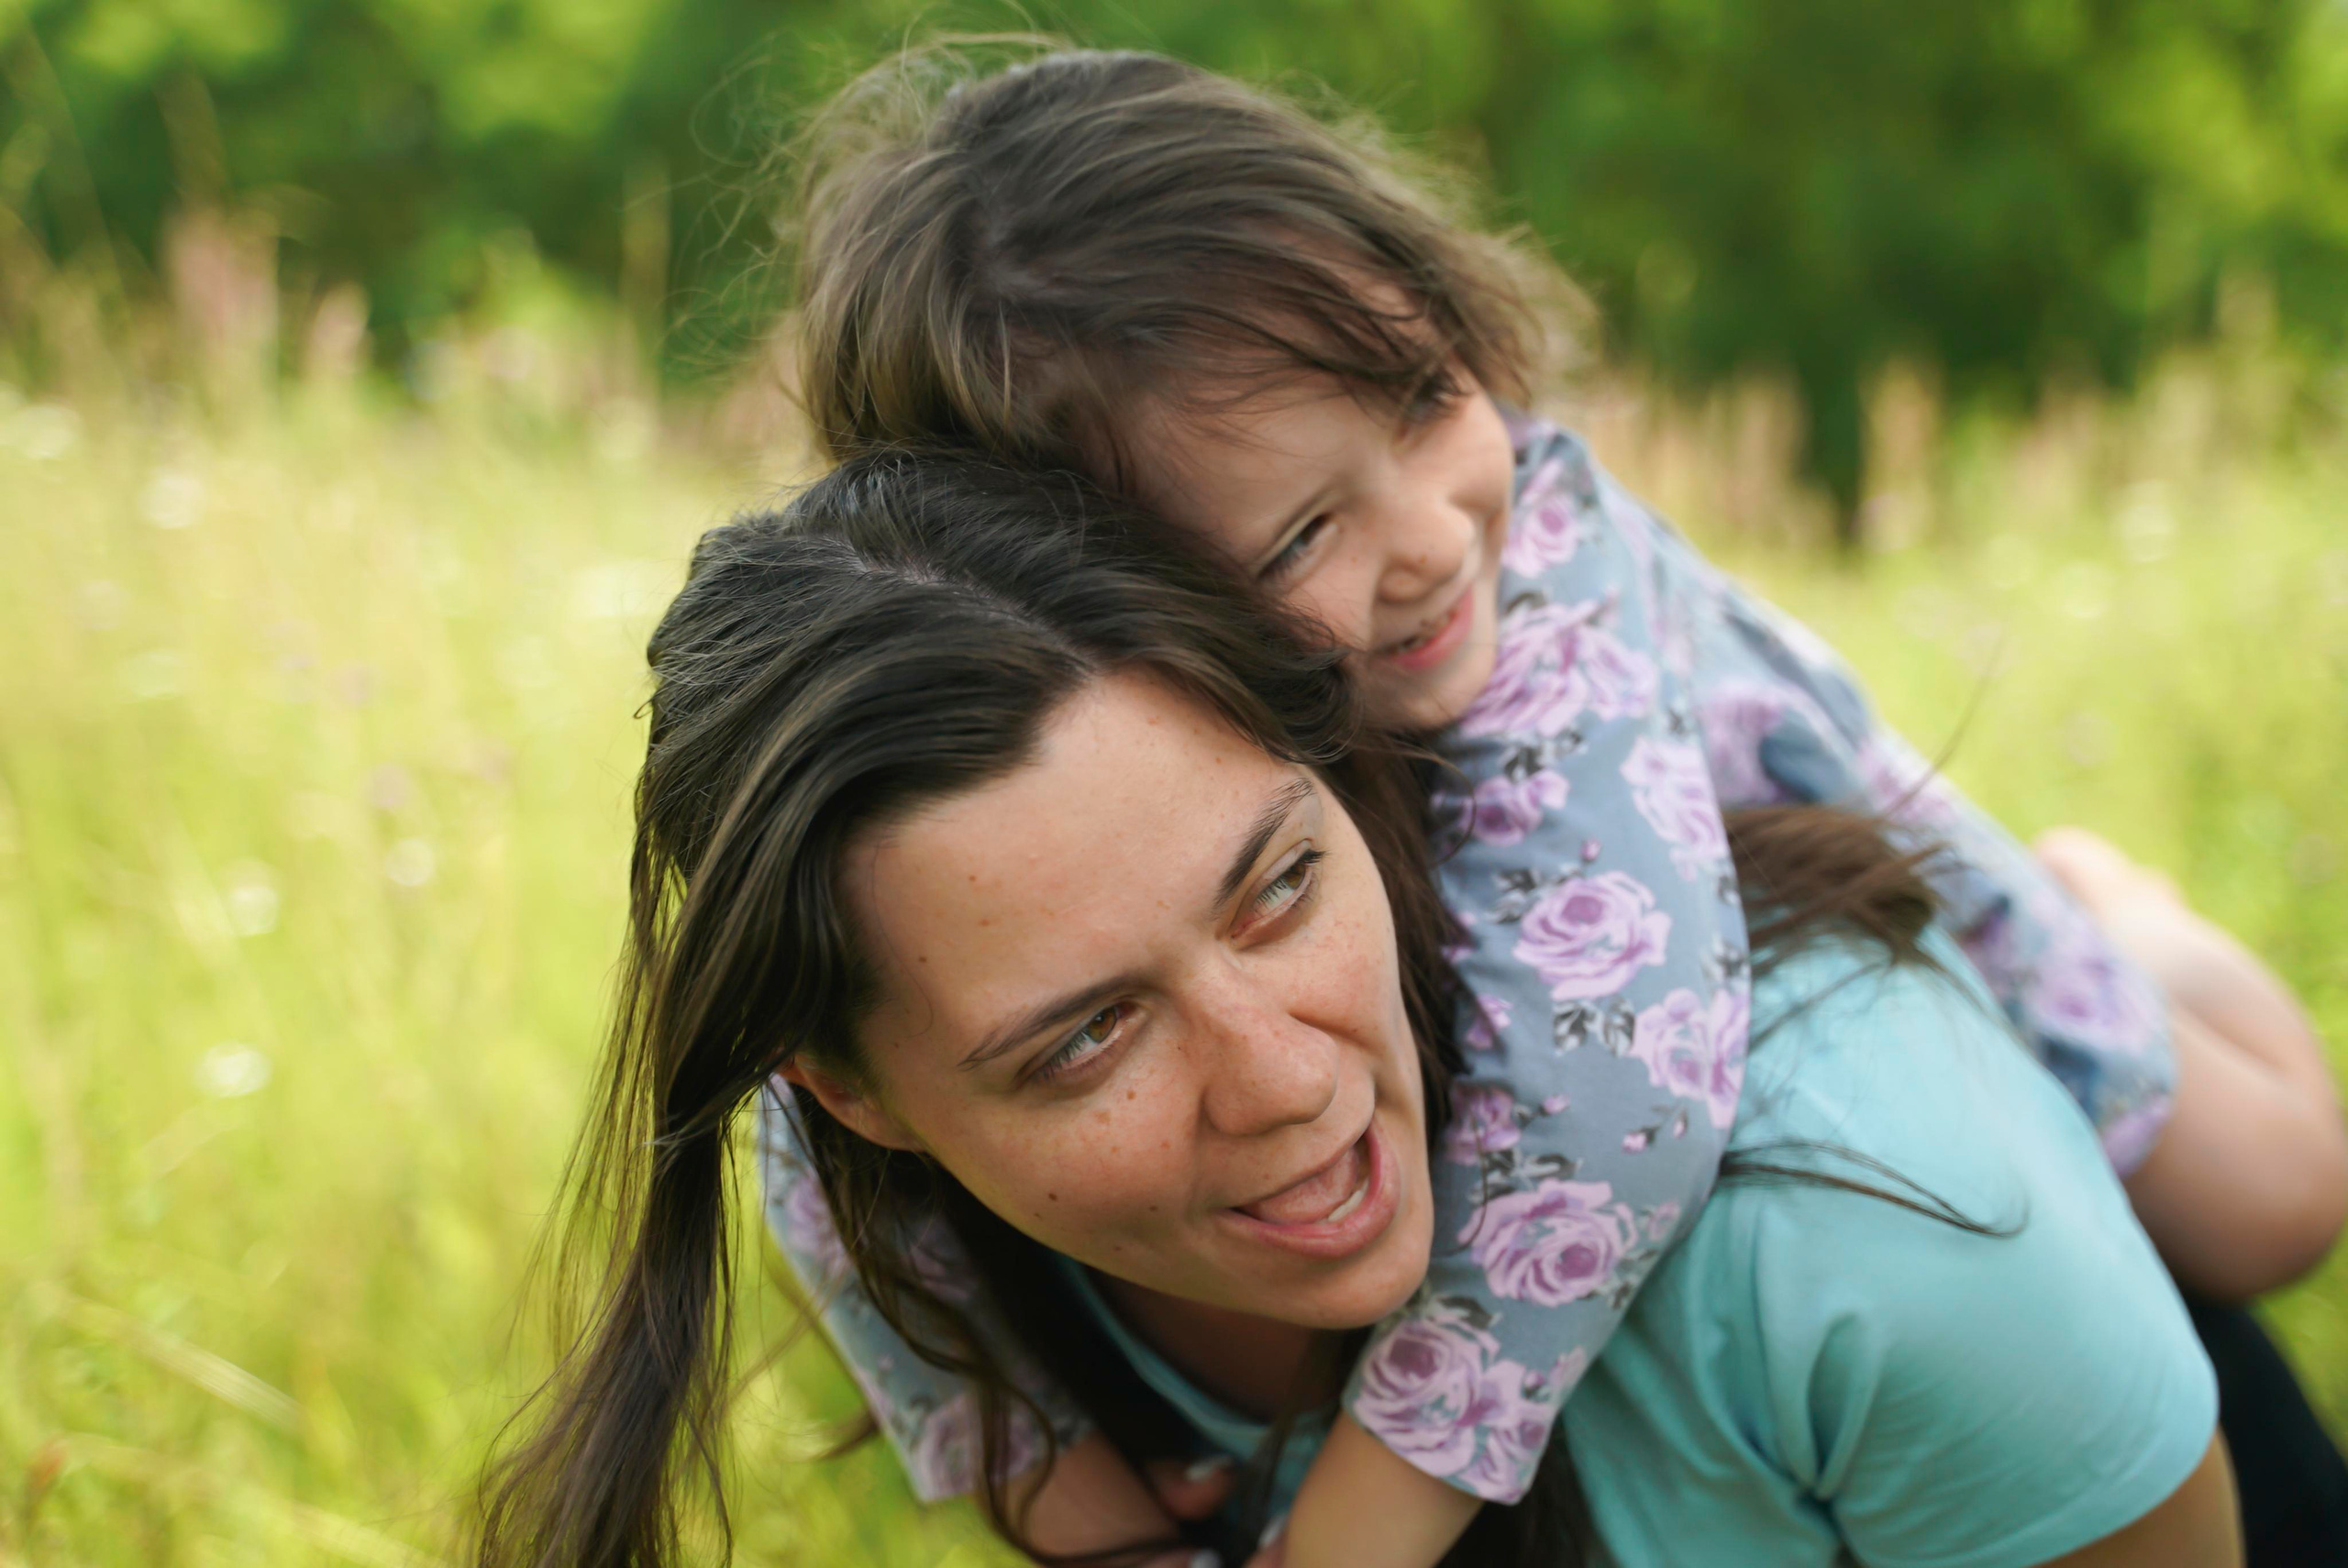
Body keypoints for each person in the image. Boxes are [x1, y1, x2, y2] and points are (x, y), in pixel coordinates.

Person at [767, 42, 2348, 1567]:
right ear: (1108, 599)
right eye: (1304, 529)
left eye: (1424, 393)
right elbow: (825, 1178)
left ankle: (2140, 921)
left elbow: (1614, 1107)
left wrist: (1352, 1533)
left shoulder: (1547, 608)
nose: (1433, 534)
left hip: (1928, 899)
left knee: (2283, 1201)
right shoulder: (989, 869)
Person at [474, 450, 2271, 1568]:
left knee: (2265, 1147)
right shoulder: (909, 1238)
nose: (1277, 1087)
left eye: (1276, 887)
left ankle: (2131, 914)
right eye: (1083, 1037)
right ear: (854, 1099)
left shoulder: (1879, 1215)